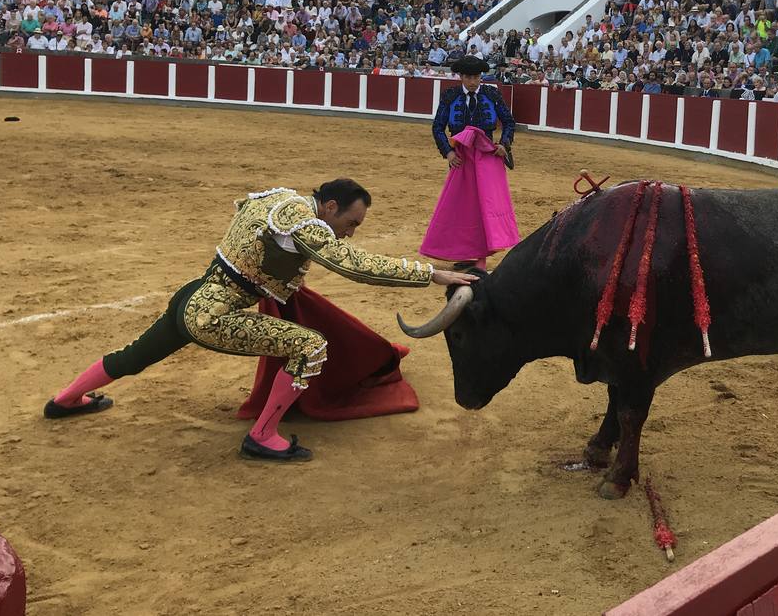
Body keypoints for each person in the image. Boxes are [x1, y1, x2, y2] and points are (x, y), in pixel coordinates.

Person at [44, 180, 475, 462]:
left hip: (193, 295)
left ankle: (64, 399)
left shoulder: (279, 197)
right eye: (350, 221)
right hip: (214, 315)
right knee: (310, 346)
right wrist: (430, 273)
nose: (351, 231)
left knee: (134, 356)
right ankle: (263, 436)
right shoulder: (307, 224)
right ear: (329, 206)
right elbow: (351, 265)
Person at [421, 55, 520, 270]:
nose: (473, 81)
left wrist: (504, 144)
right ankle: (467, 252)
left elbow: (509, 122)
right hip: (462, 158)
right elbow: (437, 127)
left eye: (476, 77)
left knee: (485, 206)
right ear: (461, 77)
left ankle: (480, 255)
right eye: (468, 77)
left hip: (487, 158)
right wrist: (447, 152)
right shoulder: (450, 96)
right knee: (463, 207)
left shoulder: (491, 94)